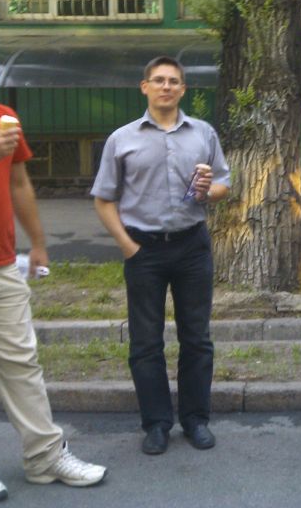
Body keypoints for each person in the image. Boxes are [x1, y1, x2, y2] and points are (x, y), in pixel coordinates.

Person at [0, 33, 106, 504]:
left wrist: (37, 242)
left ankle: (45, 457)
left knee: (22, 364)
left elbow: (19, 183)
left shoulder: (2, 117)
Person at [92, 56, 230, 456]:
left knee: (197, 338)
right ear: (145, 87)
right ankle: (156, 424)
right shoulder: (122, 139)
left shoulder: (203, 133)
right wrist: (127, 245)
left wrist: (208, 191)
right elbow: (103, 199)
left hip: (192, 246)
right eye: (158, 80)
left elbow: (223, 184)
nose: (166, 86)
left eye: (173, 81)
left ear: (183, 89)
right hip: (144, 249)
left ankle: (195, 420)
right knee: (146, 342)